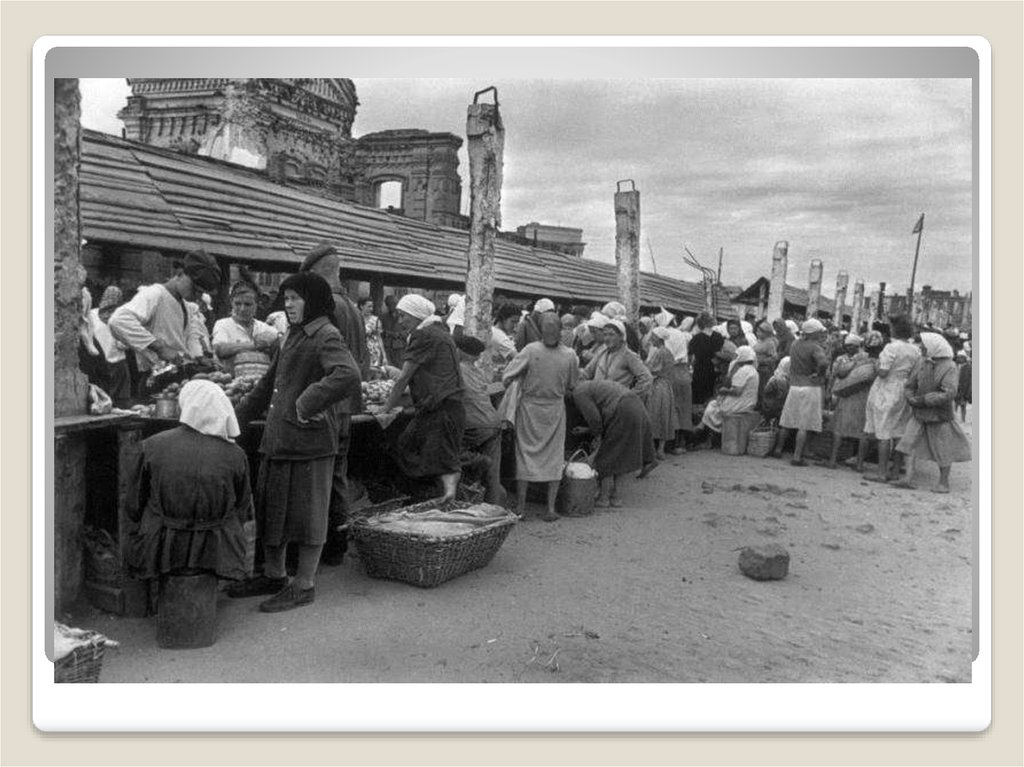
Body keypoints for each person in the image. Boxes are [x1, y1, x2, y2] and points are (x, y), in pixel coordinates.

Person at [229, 271, 361, 612]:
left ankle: (303, 584)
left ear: (312, 300)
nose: (288, 305)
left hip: (309, 441)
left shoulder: (325, 334)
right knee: (272, 506)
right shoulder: (294, 335)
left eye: (295, 298)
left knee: (308, 514)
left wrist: (307, 402)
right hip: (279, 436)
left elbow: (347, 373)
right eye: (285, 299)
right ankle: (274, 575)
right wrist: (235, 418)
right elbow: (269, 382)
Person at [125, 379, 254, 584]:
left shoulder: (151, 445)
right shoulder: (236, 454)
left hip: (160, 543)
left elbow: (133, 505)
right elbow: (243, 507)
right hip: (218, 547)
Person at [299, 243, 369, 566]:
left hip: (328, 408)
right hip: (347, 408)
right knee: (337, 475)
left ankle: (326, 545)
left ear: (316, 274)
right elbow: (363, 366)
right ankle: (338, 544)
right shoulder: (353, 307)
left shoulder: (327, 307)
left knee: (320, 479)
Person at [381, 294, 465, 503]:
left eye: (403, 316)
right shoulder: (439, 332)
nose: (400, 322)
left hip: (440, 407)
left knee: (426, 453)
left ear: (416, 315)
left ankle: (444, 496)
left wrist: (385, 408)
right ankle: (437, 495)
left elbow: (403, 379)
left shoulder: (423, 335)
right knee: (413, 446)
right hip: (446, 406)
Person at [502, 312, 579, 521]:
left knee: (525, 455)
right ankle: (550, 509)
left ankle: (521, 508)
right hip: (554, 410)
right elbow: (573, 384)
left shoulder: (531, 350)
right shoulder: (570, 354)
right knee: (554, 457)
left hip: (530, 409)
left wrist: (520, 379)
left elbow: (507, 376)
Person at [108, 249, 222, 379]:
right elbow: (118, 321)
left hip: (179, 374)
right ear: (180, 273)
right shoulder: (154, 294)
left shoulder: (185, 306)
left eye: (201, 293)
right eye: (195, 289)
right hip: (155, 376)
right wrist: (159, 347)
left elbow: (190, 334)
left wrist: (198, 356)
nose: (198, 296)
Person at [894, 332, 972, 493]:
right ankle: (908, 477)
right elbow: (910, 385)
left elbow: (949, 393)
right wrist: (910, 397)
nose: (921, 347)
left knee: (942, 448)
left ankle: (943, 483)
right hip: (919, 413)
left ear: (933, 347)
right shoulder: (922, 361)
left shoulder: (949, 366)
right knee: (909, 443)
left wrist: (923, 400)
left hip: (939, 415)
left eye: (924, 344)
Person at [571, 379, 658, 508]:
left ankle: (604, 498)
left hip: (622, 410)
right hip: (636, 406)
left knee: (607, 456)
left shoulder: (579, 393)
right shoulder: (591, 385)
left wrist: (596, 435)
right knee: (622, 455)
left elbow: (595, 419)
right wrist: (587, 430)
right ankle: (616, 496)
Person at [863, 315, 921, 483]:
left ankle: (881, 472)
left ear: (893, 329)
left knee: (883, 431)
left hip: (886, 388)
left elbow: (883, 372)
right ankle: (895, 471)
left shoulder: (891, 347)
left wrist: (875, 365)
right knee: (898, 432)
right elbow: (914, 373)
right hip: (903, 389)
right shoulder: (915, 350)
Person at [454, 335, 506, 505]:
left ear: (460, 351)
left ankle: (478, 460)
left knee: (450, 452)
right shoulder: (478, 371)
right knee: (493, 474)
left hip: (475, 425)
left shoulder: (457, 369)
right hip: (494, 421)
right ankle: (494, 510)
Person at [773, 318, 830, 466]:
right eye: (819, 332)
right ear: (814, 333)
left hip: (795, 385)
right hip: (810, 386)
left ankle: (778, 449)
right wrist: (820, 373)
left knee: (787, 420)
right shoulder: (815, 347)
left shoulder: (795, 344)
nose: (821, 334)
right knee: (803, 425)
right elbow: (823, 362)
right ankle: (797, 456)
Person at [824, 333, 876, 471]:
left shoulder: (851, 359)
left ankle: (833, 460)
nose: (848, 348)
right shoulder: (874, 361)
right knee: (863, 432)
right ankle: (859, 464)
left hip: (847, 395)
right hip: (865, 397)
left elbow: (839, 374)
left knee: (839, 428)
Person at [693, 346, 759, 447]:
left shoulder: (743, 371)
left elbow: (737, 391)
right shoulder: (753, 370)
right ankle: (702, 426)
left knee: (712, 407)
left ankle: (703, 430)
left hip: (740, 403)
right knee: (713, 404)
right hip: (748, 403)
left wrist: (724, 391)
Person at [211, 281, 280, 374]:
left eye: (248, 304)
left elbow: (283, 341)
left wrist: (275, 339)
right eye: (238, 304)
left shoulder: (263, 327)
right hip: (232, 382)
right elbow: (220, 349)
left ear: (256, 304)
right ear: (231, 302)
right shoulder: (223, 324)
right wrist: (256, 345)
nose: (242, 309)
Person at [83, 285, 132, 407]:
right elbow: (122, 345)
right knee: (119, 402)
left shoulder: (91, 314)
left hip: (101, 364)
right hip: (116, 364)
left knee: (103, 399)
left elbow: (87, 338)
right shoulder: (121, 318)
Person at [580, 319, 653, 398]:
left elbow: (646, 378)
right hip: (597, 400)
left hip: (616, 402)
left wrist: (629, 396)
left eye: (611, 334)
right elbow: (586, 373)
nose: (607, 338)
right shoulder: (602, 353)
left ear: (621, 336)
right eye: (605, 335)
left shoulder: (628, 355)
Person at [644, 327, 680, 460]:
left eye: (653, 336)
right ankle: (661, 449)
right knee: (664, 416)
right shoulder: (668, 352)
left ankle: (653, 449)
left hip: (658, 386)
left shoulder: (659, 352)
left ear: (658, 338)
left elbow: (654, 370)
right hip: (666, 386)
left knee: (653, 415)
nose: (651, 339)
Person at [662, 322, 693, 454]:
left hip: (671, 375)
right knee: (684, 410)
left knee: (672, 409)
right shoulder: (681, 336)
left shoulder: (665, 350)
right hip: (684, 375)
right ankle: (681, 443)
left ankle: (671, 444)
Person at [688, 312, 724, 406]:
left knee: (699, 394)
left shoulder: (696, 338)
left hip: (700, 369)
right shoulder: (718, 336)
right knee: (711, 393)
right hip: (715, 368)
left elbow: (691, 356)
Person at [751, 319, 779, 409]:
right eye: (758, 331)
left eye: (760, 331)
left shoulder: (770, 343)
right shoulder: (759, 341)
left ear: (766, 333)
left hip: (764, 370)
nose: (758, 333)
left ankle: (763, 407)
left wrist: (762, 361)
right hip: (756, 368)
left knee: (763, 389)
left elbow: (774, 357)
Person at [489, 301, 521, 373]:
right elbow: (520, 360)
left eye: (517, 322)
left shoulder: (493, 330)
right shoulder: (500, 337)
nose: (515, 326)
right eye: (513, 321)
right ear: (503, 319)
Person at [761, 356, 791, 424]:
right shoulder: (780, 380)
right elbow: (781, 397)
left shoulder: (776, 377)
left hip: (772, 408)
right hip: (775, 410)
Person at [358, 297, 386, 368]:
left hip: (374, 352)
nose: (371, 309)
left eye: (372, 306)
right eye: (369, 306)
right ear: (361, 306)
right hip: (360, 351)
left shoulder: (375, 320)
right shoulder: (357, 319)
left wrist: (384, 356)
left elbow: (379, 338)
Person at [955, 350, 972, 423]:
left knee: (963, 405)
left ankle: (963, 419)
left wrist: (968, 392)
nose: (958, 359)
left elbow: (970, 380)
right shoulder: (956, 366)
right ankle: (955, 420)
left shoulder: (968, 367)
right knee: (954, 404)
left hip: (964, 389)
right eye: (958, 357)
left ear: (964, 358)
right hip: (956, 388)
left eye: (960, 357)